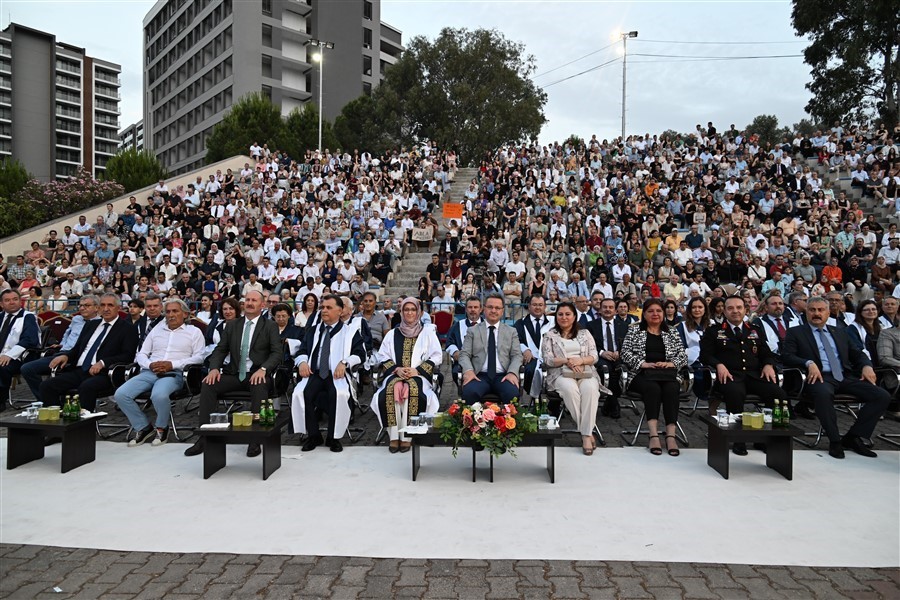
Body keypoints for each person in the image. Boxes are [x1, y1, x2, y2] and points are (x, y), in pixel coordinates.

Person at [782, 296, 891, 458]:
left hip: (844, 376)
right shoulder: (796, 333)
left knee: (881, 396)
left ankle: (853, 437)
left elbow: (857, 354)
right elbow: (787, 356)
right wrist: (808, 362)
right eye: (812, 310)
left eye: (821, 310)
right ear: (806, 312)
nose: (816, 313)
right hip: (818, 378)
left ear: (828, 313)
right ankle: (834, 440)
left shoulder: (840, 332)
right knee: (823, 394)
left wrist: (867, 365)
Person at [184, 290, 282, 458]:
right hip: (235, 374)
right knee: (209, 383)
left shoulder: (270, 325)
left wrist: (263, 369)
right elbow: (220, 350)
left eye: (254, 300)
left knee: (258, 385)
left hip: (257, 373)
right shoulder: (232, 325)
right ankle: (205, 437)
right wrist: (214, 368)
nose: (250, 303)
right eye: (247, 300)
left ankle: (255, 439)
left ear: (262, 305)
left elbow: (276, 353)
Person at [699, 295, 787, 455]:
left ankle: (768, 438)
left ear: (745, 310)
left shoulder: (754, 330)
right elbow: (705, 355)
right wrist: (718, 364)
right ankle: (738, 439)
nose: (735, 311)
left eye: (739, 308)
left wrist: (768, 364)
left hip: (754, 376)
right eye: (730, 308)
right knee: (735, 394)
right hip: (729, 376)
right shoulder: (714, 331)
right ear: (724, 311)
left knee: (778, 395)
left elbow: (766, 353)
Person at [114, 299, 206, 447]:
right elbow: (141, 353)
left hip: (174, 373)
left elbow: (199, 357)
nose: (171, 315)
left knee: (158, 395)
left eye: (175, 311)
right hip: (150, 371)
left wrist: (172, 364)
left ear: (185, 314)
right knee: (121, 394)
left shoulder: (194, 332)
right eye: (168, 311)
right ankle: (143, 427)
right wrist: (150, 364)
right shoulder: (157, 329)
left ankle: (162, 428)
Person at [291, 294, 367, 453]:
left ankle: (334, 437)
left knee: (338, 395)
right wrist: (303, 362)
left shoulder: (351, 332)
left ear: (340, 311)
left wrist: (345, 362)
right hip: (315, 372)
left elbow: (360, 354)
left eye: (329, 308)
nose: (324, 310)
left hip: (337, 374)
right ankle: (313, 435)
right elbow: (303, 350)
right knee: (301, 394)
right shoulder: (313, 330)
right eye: (322, 307)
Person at [40, 294, 139, 411]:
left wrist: (102, 363)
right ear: (98, 308)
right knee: (47, 386)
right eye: (103, 305)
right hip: (79, 370)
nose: (106, 309)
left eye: (110, 305)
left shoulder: (128, 329)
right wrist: (65, 355)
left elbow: (127, 355)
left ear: (118, 308)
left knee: (87, 387)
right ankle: (59, 420)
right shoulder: (91, 325)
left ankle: (84, 425)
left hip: (105, 373)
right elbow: (77, 349)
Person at [620, 298, 688, 456]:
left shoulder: (671, 331)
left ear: (664, 313)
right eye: (650, 311)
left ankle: (670, 435)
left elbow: (682, 355)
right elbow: (625, 353)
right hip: (641, 374)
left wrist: (671, 364)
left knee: (672, 389)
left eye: (658, 311)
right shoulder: (634, 330)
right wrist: (642, 363)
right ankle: (654, 435)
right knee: (653, 388)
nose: (655, 314)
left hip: (667, 373)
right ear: (644, 314)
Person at [372, 298, 442, 453]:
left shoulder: (427, 333)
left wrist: (417, 370)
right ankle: (394, 436)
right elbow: (382, 356)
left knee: (411, 390)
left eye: (413, 310)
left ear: (419, 312)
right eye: (406, 310)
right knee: (393, 389)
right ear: (401, 312)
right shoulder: (392, 334)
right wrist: (397, 370)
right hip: (396, 374)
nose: (409, 313)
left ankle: (407, 437)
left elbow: (437, 356)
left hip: (420, 376)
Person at [541, 301, 608, 455]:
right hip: (560, 372)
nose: (564, 317)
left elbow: (594, 356)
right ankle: (587, 434)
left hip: (585, 371)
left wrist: (580, 360)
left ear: (574, 316)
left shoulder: (585, 333)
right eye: (560, 314)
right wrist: (567, 361)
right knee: (570, 390)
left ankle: (585, 432)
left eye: (567, 314)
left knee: (590, 390)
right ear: (556, 316)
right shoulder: (549, 335)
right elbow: (548, 359)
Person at [21, 295, 101, 402]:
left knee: (57, 378)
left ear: (96, 308)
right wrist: (62, 344)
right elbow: (67, 333)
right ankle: (45, 401)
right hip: (62, 353)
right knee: (27, 368)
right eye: (80, 305)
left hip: (80, 357)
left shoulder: (101, 323)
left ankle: (54, 400)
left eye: (86, 306)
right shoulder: (76, 319)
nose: (82, 308)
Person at [459, 293, 522, 405]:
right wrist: (468, 371)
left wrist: (512, 373)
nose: (493, 311)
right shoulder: (472, 331)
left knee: (512, 393)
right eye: (490, 307)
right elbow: (464, 354)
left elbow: (517, 355)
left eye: (497, 308)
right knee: (469, 392)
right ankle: (471, 422)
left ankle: (508, 422)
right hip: (479, 375)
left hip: (503, 376)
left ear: (502, 311)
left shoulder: (511, 332)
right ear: (484, 309)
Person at [586, 297, 628, 418]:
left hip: (619, 356)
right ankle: (614, 404)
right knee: (607, 370)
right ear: (600, 310)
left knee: (620, 370)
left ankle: (609, 403)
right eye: (605, 307)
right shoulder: (591, 325)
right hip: (601, 356)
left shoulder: (624, 326)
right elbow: (589, 345)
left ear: (615, 310)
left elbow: (628, 344)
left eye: (611, 307)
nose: (608, 310)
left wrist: (619, 352)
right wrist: (602, 352)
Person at [0, 290, 41, 410]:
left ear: (20, 301)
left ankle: (1, 400)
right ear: (1, 304)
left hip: (19, 356)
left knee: (2, 367)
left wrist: (9, 355)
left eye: (15, 299)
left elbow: (30, 340)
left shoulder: (28, 317)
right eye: (7, 300)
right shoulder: (0, 317)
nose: (12, 302)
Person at [513, 294, 553, 399]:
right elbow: (515, 339)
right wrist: (525, 349)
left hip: (552, 358)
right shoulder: (520, 323)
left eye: (540, 305)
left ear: (545, 307)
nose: (538, 307)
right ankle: (536, 400)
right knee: (530, 370)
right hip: (531, 358)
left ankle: (553, 404)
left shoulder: (552, 323)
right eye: (534, 305)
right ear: (529, 306)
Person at [445, 296, 482, 390]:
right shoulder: (458, 325)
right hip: (463, 362)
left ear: (481, 309)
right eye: (470, 307)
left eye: (476, 307)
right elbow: (449, 342)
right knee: (457, 372)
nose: (473, 310)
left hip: (483, 363)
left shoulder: (488, 325)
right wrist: (455, 352)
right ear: (466, 309)